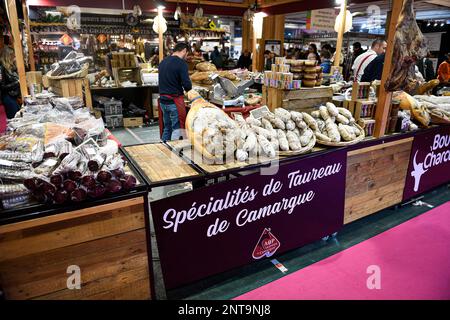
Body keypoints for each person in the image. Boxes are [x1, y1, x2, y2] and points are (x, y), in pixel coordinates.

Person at [158, 42, 192, 141]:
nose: (187, 56)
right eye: (187, 54)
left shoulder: (163, 62)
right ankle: (175, 153)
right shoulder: (181, 64)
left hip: (163, 102)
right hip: (174, 101)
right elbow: (187, 85)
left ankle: (163, 148)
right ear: (184, 50)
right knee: (177, 129)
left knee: (167, 128)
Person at [0, 47, 20, 119]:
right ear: (8, 56)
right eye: (12, 55)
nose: (14, 56)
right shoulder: (2, 68)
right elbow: (2, 87)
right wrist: (17, 83)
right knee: (14, 118)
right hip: (8, 97)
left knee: (17, 117)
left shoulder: (11, 67)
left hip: (14, 96)